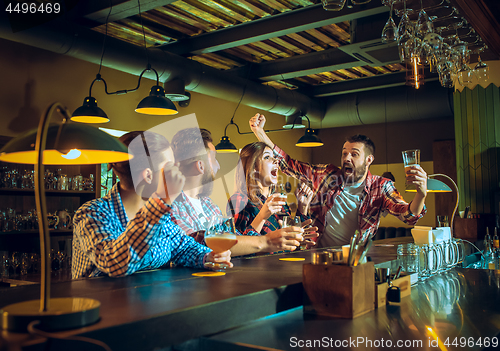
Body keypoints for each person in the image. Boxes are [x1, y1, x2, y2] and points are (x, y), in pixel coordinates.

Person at [249, 113, 428, 247]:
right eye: (344, 153)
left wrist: (421, 193)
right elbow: (289, 164)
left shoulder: (381, 187)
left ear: (369, 160)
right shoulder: (327, 174)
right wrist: (260, 133)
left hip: (354, 259)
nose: (347, 158)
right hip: (319, 255)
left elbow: (408, 216)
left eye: (354, 154)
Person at [72, 131, 232, 279]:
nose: (178, 171)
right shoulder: (92, 213)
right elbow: (114, 263)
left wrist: (209, 256)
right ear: (148, 175)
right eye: (171, 166)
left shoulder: (161, 216)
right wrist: (161, 201)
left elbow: (182, 246)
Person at [169, 128, 316, 256]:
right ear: (200, 166)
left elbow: (236, 239)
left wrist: (300, 216)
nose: (218, 166)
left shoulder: (209, 205)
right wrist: (266, 240)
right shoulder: (172, 207)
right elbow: (198, 243)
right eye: (214, 158)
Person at [228, 141, 314, 237]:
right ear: (253, 167)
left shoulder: (280, 203)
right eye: (267, 157)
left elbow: (292, 241)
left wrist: (302, 207)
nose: (276, 160)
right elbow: (236, 246)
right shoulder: (239, 200)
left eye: (274, 157)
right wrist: (261, 217)